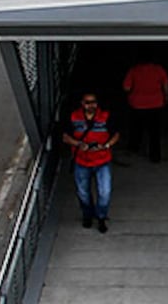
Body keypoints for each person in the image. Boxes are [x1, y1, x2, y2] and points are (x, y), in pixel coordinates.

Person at [62, 93, 119, 232]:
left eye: (93, 102)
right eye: (87, 102)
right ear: (82, 103)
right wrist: (79, 144)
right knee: (83, 193)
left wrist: (106, 145)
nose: (91, 105)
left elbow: (116, 134)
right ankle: (87, 215)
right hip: (81, 161)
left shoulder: (105, 116)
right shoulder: (73, 117)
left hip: (102, 160)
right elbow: (65, 137)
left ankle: (101, 217)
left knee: (104, 192)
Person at [122, 59, 168, 163]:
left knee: (136, 130)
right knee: (155, 133)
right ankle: (155, 156)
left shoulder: (134, 70)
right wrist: (166, 97)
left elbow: (126, 88)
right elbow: (165, 84)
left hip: (137, 105)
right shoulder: (159, 69)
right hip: (156, 104)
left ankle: (133, 149)